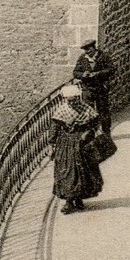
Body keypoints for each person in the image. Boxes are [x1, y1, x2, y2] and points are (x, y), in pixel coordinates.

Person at [51, 83, 103, 215]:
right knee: (68, 171)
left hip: (82, 143)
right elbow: (55, 129)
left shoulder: (86, 109)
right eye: (70, 99)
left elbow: (95, 123)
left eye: (74, 99)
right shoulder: (61, 111)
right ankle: (70, 200)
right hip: (66, 144)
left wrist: (88, 132)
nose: (73, 102)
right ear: (66, 99)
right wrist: (52, 144)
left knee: (83, 171)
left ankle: (78, 199)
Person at [72, 39, 117, 139]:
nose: (87, 52)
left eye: (89, 49)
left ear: (94, 48)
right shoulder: (82, 58)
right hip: (87, 89)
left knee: (103, 112)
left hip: (101, 88)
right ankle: (90, 133)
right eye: (85, 50)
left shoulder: (104, 56)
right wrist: (83, 74)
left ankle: (106, 133)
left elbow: (112, 69)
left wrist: (98, 73)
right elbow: (75, 72)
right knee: (88, 111)